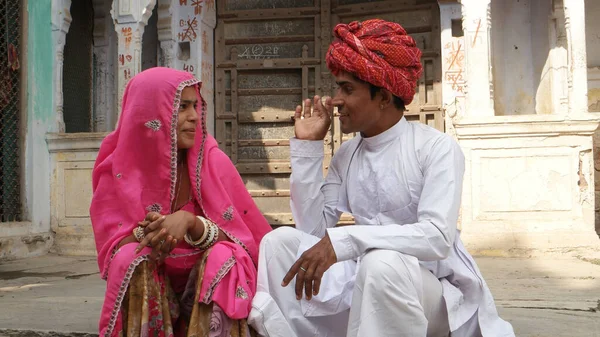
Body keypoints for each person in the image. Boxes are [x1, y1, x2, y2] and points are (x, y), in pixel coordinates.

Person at [248, 19, 515, 337]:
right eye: (337, 87)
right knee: (279, 243)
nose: (335, 100)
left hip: (434, 292)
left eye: (347, 88)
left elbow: (436, 238)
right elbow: (312, 233)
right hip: (366, 278)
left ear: (385, 97)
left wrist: (351, 241)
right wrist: (307, 148)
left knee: (382, 263)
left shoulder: (436, 147)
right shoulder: (347, 156)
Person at [90, 67, 272, 337]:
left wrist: (192, 224)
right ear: (150, 114)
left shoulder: (212, 162)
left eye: (196, 106)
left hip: (206, 288)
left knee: (227, 257)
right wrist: (152, 231)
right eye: (182, 107)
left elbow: (244, 239)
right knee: (131, 257)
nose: (194, 117)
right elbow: (113, 247)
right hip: (156, 288)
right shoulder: (118, 168)